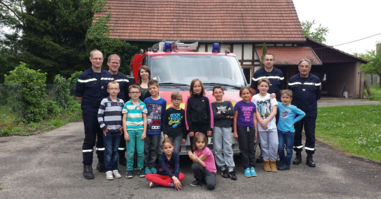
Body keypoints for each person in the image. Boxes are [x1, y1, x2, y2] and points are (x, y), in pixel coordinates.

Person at [75, 49, 113, 179]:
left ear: (103, 60)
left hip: (105, 113)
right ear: (90, 59)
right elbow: (79, 96)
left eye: (100, 58)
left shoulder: (108, 75)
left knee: (102, 138)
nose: (98, 61)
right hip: (90, 112)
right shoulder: (83, 77)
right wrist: (88, 108)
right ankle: (87, 166)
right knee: (89, 139)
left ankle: (102, 163)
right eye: (95, 58)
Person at [250, 53, 285, 163]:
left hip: (275, 105)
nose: (269, 61)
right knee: (262, 131)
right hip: (261, 105)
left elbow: (282, 89)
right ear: (263, 61)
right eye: (267, 60)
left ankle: (276, 154)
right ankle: (263, 154)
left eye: (271, 59)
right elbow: (252, 89)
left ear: (273, 61)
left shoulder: (279, 73)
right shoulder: (257, 73)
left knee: (274, 129)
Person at [288, 58, 321, 167]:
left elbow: (318, 96)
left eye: (306, 66)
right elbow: (289, 95)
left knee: (310, 134)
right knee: (296, 133)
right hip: (296, 113)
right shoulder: (292, 80)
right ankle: (298, 155)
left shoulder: (316, 80)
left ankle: (310, 157)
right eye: (302, 66)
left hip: (310, 112)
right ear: (298, 68)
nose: (304, 68)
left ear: (310, 68)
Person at [106, 54, 136, 165]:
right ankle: (105, 161)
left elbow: (130, 94)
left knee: (122, 135)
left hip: (122, 112)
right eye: (113, 62)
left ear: (119, 64)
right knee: (107, 136)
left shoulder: (124, 78)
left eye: (117, 62)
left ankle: (121, 158)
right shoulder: (104, 76)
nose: (115, 64)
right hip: (108, 113)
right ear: (108, 63)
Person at [97, 81, 124, 180]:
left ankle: (115, 169)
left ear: (119, 90)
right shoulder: (104, 101)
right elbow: (99, 115)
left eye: (115, 88)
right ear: (108, 90)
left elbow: (123, 116)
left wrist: (122, 126)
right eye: (111, 88)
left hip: (118, 131)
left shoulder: (121, 102)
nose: (113, 90)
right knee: (108, 151)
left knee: (115, 151)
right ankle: (108, 170)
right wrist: (104, 127)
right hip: (108, 131)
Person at [252, 79, 278, 172]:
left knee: (274, 144)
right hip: (261, 126)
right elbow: (256, 111)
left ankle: (273, 161)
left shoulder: (271, 96)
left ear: (268, 87)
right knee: (264, 144)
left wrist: (266, 121)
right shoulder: (255, 98)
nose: (263, 88)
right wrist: (261, 122)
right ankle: (266, 162)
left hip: (271, 125)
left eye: (265, 86)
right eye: (262, 86)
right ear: (258, 87)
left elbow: (274, 111)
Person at [211, 86, 237, 180]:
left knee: (228, 147)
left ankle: (230, 168)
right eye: (216, 92)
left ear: (223, 93)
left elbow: (232, 112)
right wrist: (226, 113)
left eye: (220, 92)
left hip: (227, 127)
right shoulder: (212, 104)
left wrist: (220, 113)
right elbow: (214, 115)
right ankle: (222, 167)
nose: (218, 94)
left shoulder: (228, 102)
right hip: (217, 127)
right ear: (213, 94)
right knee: (217, 148)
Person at [276, 89, 305, 170]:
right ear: (280, 98)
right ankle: (282, 161)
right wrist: (272, 96)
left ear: (290, 99)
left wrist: (294, 121)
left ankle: (287, 164)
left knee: (289, 149)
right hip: (280, 131)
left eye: (287, 97)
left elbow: (303, 114)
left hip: (289, 132)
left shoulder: (293, 108)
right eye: (283, 97)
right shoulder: (279, 105)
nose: (285, 99)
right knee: (280, 148)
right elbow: (272, 101)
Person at [122, 84, 147, 179]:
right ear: (129, 94)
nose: (135, 94)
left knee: (140, 152)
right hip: (130, 131)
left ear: (140, 93)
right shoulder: (126, 105)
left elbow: (145, 119)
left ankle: (140, 168)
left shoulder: (143, 104)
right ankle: (129, 169)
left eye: (136, 92)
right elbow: (124, 119)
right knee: (130, 152)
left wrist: (144, 132)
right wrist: (125, 133)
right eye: (133, 92)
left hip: (140, 130)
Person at [233, 87, 258, 177]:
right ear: (241, 95)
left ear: (250, 94)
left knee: (251, 147)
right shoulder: (238, 105)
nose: (246, 95)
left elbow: (254, 118)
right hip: (241, 127)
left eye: (247, 93)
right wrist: (235, 131)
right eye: (243, 93)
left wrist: (255, 131)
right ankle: (246, 167)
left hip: (251, 128)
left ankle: (252, 166)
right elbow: (235, 118)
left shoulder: (253, 105)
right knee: (244, 148)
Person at [144, 80, 167, 175]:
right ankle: (146, 166)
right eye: (150, 88)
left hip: (157, 130)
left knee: (154, 148)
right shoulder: (146, 101)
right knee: (146, 149)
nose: (152, 90)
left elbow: (164, 116)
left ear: (158, 88)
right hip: (147, 129)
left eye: (154, 88)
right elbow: (144, 115)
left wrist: (163, 130)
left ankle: (152, 165)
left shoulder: (163, 101)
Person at [185, 78, 213, 146]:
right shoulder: (189, 100)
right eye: (195, 86)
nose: (197, 88)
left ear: (201, 87)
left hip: (204, 127)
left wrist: (210, 128)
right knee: (194, 147)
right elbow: (187, 115)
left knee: (203, 147)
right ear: (192, 88)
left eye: (199, 86)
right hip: (193, 128)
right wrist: (190, 129)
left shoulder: (206, 99)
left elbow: (210, 114)